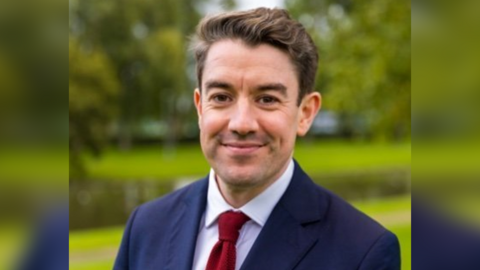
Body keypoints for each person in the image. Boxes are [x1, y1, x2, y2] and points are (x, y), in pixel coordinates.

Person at [114, 7, 400, 270]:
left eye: (266, 99)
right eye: (222, 97)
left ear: (305, 113)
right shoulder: (145, 226)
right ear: (200, 107)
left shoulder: (364, 252)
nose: (241, 123)